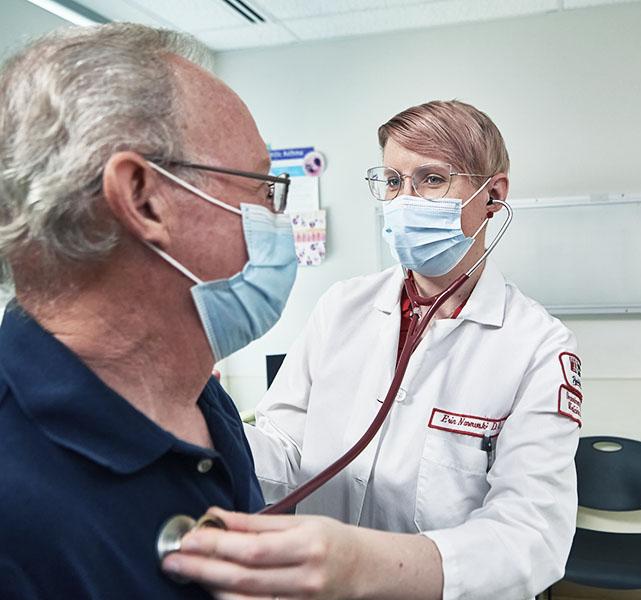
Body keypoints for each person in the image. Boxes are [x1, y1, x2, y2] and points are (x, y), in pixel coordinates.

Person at [163, 101, 585, 599]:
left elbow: (531, 535)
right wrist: (201, 416)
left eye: (431, 179)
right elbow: (287, 454)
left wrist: (364, 566)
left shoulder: (538, 347)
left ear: (493, 195)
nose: (404, 201)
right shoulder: (342, 307)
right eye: (392, 181)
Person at [0, 23, 297, 598]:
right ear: (143, 198)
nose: (276, 215)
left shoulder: (197, 398)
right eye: (262, 187)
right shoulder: (13, 499)